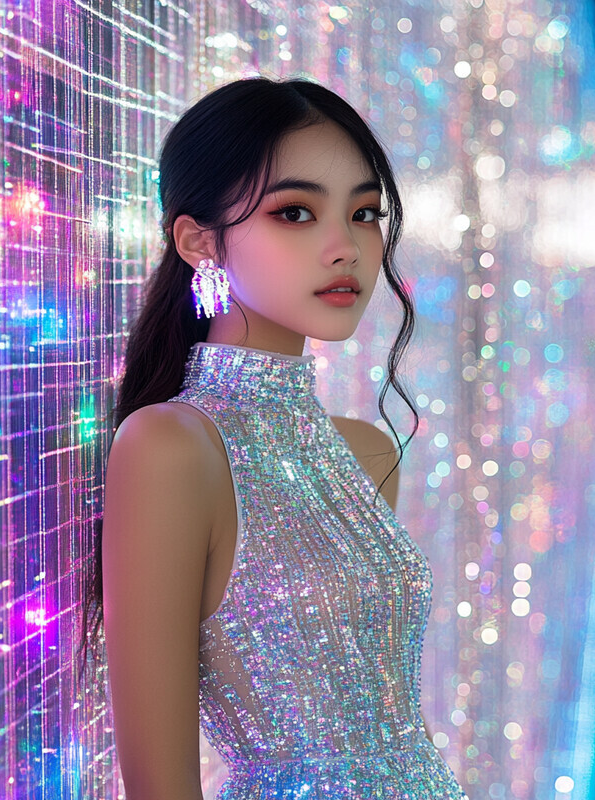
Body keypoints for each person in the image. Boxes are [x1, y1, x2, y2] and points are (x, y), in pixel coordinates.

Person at [85, 77, 467, 800]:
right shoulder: (170, 448)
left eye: (363, 213)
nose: (345, 247)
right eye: (294, 212)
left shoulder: (369, 452)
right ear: (200, 242)